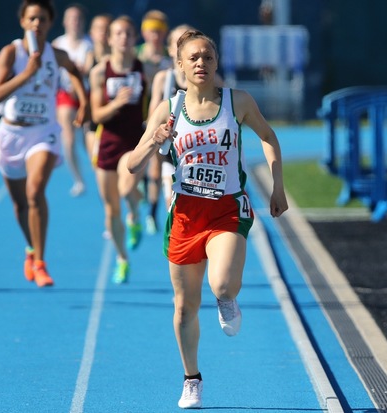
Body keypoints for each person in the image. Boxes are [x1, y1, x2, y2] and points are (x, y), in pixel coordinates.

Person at [127, 30, 288, 408]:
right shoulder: (168, 108)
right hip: (184, 215)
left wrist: (277, 186)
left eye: (208, 57)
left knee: (221, 285)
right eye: (193, 58)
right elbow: (133, 164)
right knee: (184, 306)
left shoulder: (238, 101)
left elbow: (268, 136)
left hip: (226, 210)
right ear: (179, 65)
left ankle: (227, 297)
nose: (201, 64)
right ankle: (191, 379)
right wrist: (155, 140)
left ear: (216, 63)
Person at [0, 0, 88, 287]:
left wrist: (83, 101)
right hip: (11, 135)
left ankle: (41, 263)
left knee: (35, 192)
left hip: (43, 133)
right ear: (22, 22)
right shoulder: (11, 53)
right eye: (31, 18)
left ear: (50, 23)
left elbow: (76, 72)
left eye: (42, 19)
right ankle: (30, 250)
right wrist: (27, 74)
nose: (36, 24)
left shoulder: (57, 55)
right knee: (20, 205)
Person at [88, 15, 147, 284]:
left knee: (126, 189)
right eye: (118, 33)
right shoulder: (100, 71)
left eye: (128, 33)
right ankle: (122, 258)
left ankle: (134, 214)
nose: (124, 38)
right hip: (109, 143)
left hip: (135, 142)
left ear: (135, 39)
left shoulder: (143, 69)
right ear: (109, 39)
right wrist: (116, 103)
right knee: (111, 211)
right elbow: (96, 115)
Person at [148, 24, 224, 215]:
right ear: (172, 49)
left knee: (202, 211)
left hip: (201, 153)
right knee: (173, 209)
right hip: (172, 153)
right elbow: (153, 117)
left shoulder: (214, 80)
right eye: (178, 42)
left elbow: (228, 114)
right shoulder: (164, 78)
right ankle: (153, 208)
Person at [136, 9, 173, 235]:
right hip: (137, 117)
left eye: (159, 31)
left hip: (157, 118)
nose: (155, 36)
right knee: (138, 164)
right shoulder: (136, 56)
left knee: (156, 165)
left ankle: (151, 212)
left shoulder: (170, 61)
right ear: (144, 32)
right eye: (151, 31)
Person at [52, 3, 94, 197]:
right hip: (66, 95)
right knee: (67, 139)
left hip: (86, 95)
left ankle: (99, 171)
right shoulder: (58, 44)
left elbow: (86, 68)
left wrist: (76, 69)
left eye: (78, 19)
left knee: (89, 141)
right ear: (65, 22)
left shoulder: (89, 44)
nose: (75, 23)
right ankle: (78, 179)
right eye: (71, 18)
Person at [85, 13, 113, 169]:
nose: (103, 32)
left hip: (117, 120)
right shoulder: (89, 57)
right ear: (91, 33)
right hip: (94, 120)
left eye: (106, 29)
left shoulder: (119, 60)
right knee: (98, 166)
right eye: (99, 29)